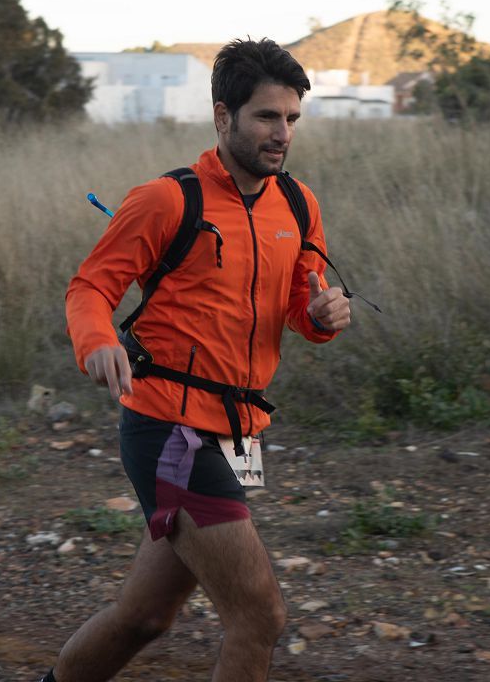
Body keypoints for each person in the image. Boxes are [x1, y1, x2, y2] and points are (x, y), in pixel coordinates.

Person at [43, 38, 351, 682]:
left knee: (145, 617)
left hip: (236, 431)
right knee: (259, 615)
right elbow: (91, 287)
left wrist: (323, 318)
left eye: (292, 118)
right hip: (167, 429)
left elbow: (304, 302)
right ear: (222, 117)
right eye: (267, 117)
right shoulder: (166, 200)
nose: (282, 133)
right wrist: (97, 343)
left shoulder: (298, 204)